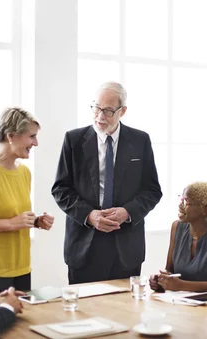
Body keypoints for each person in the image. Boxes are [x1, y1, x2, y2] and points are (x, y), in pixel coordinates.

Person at [52, 81, 163, 284]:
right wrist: (89, 215)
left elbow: (152, 190)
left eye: (109, 111)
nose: (100, 116)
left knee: (125, 313)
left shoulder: (140, 141)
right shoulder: (73, 140)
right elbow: (61, 189)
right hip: (84, 244)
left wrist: (127, 212)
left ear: (123, 111)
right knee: (85, 313)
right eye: (96, 108)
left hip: (126, 246)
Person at [0, 107, 54, 295]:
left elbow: (13, 213)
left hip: (22, 268)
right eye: (32, 136)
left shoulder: (24, 172)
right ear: (11, 136)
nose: (36, 143)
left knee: (22, 321)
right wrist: (11, 223)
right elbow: (10, 220)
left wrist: (36, 222)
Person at [149, 182, 207, 292]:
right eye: (181, 200)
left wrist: (181, 285)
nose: (180, 206)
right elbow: (169, 270)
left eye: (186, 202)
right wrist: (161, 280)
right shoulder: (177, 227)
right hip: (178, 302)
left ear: (205, 209)